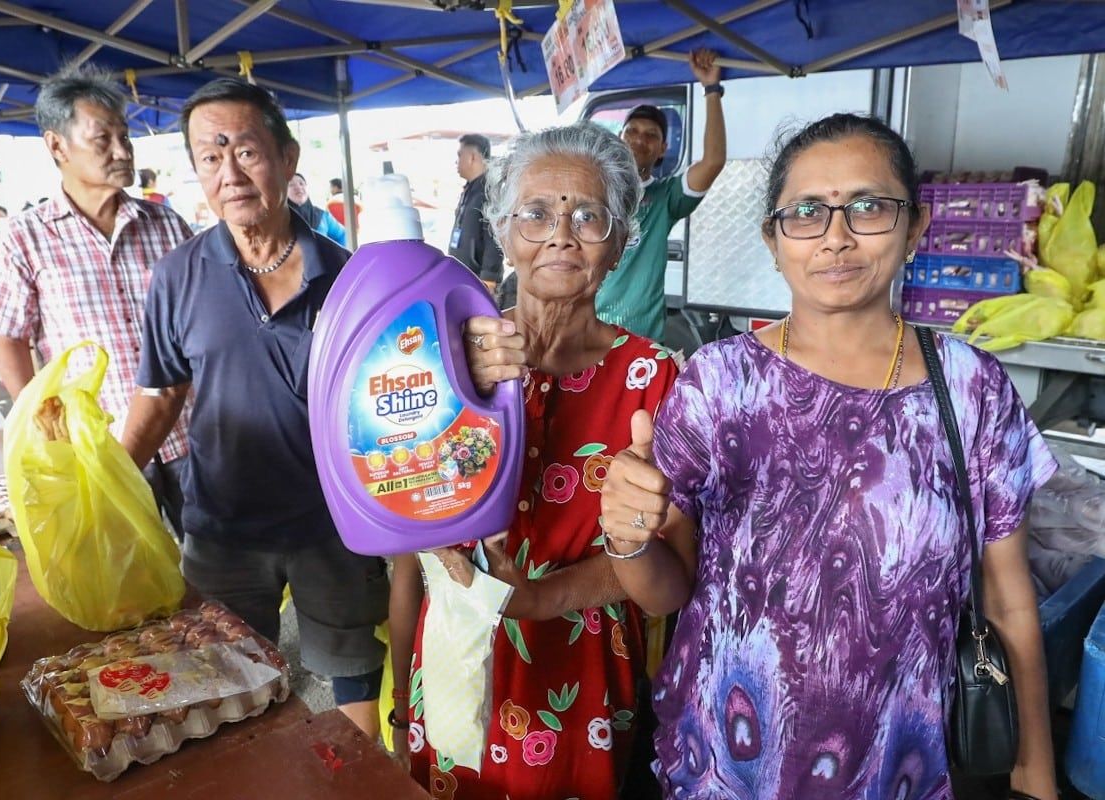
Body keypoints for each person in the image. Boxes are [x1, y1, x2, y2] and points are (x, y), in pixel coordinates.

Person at [600, 113, 1059, 800]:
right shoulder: (720, 382)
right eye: (807, 212)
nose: (836, 236)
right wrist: (626, 537)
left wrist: (1037, 772)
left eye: (869, 207)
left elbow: (1009, 600)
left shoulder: (972, 388)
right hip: (724, 763)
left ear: (914, 229)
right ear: (774, 239)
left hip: (895, 765)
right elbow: (670, 591)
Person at [390, 121, 679, 800]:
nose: (561, 232)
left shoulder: (654, 378)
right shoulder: (439, 356)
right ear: (501, 228)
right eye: (537, 212)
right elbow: (410, 549)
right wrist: (403, 692)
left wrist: (537, 597)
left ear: (620, 244)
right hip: (458, 650)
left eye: (588, 216)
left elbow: (668, 572)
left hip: (580, 671)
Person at [120, 77, 387, 740]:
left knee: (354, 671)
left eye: (245, 150)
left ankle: (361, 788)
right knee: (223, 688)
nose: (229, 172)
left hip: (334, 527)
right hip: (221, 530)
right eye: (210, 157)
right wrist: (108, 487)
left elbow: (385, 405)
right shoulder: (177, 276)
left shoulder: (349, 275)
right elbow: (160, 395)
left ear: (288, 158)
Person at [0, 64, 193, 538]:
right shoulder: (24, 237)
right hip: (99, 446)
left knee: (217, 569)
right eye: (102, 138)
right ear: (57, 147)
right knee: (127, 583)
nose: (122, 150)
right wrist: (48, 424)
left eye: (125, 136)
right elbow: (7, 338)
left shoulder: (167, 226)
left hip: (187, 436)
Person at [595, 49, 727, 343]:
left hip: (639, 342)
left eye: (651, 135)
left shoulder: (665, 196)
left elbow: (713, 161)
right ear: (620, 138)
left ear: (663, 148)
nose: (640, 139)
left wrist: (712, 90)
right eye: (633, 131)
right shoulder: (593, 190)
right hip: (587, 335)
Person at [449, 133, 504, 291]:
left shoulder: (489, 191)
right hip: (464, 277)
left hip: (480, 282)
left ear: (472, 157)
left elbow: (495, 237)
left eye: (460, 155)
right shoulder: (470, 189)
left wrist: (489, 279)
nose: (456, 162)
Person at [288, 173, 346, 246]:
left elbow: (343, 235)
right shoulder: (279, 221)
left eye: (301, 183)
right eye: (291, 185)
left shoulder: (322, 216)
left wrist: (336, 255)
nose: (298, 187)